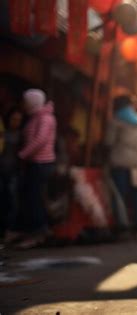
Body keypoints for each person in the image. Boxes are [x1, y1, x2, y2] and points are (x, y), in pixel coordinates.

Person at [16, 89, 57, 248]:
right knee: (32, 198)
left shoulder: (45, 118)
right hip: (35, 163)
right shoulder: (36, 117)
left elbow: (40, 140)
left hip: (41, 164)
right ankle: (36, 230)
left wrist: (22, 154)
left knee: (35, 198)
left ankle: (38, 233)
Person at [105, 95, 137, 235]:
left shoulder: (115, 121)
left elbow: (108, 141)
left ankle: (122, 225)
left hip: (120, 162)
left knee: (120, 195)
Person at [0, 108, 24, 240]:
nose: (16, 122)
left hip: (13, 171)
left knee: (12, 200)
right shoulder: (3, 133)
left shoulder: (21, 135)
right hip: (2, 169)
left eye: (19, 120)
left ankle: (9, 229)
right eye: (14, 119)